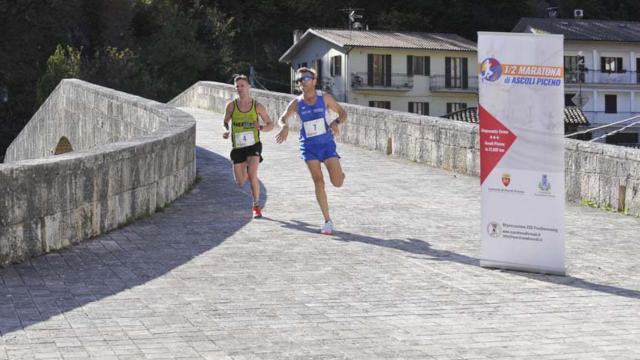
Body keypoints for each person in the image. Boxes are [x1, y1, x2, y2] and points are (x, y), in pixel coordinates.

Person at [275, 67, 347, 235]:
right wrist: (284, 126)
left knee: (337, 182)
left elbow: (343, 113)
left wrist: (336, 122)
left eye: (306, 79)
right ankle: (327, 221)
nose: (302, 82)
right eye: (299, 80)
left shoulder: (325, 98)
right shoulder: (297, 102)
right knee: (318, 181)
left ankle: (340, 175)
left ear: (314, 81)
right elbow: (282, 117)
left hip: (327, 144)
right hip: (309, 146)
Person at [223, 74, 274, 218]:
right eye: (237, 86)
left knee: (252, 175)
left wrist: (261, 128)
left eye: (242, 85)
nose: (239, 88)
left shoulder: (257, 106)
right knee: (240, 182)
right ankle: (246, 165)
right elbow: (225, 121)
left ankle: (256, 206)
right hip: (238, 146)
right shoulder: (231, 105)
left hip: (254, 145)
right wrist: (226, 130)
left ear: (249, 87)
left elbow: (271, 124)